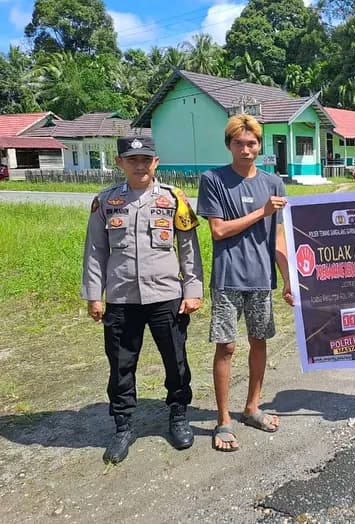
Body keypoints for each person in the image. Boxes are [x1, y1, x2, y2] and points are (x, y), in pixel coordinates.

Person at [81, 136, 203, 464]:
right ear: (120, 162)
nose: (139, 165)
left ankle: (178, 416)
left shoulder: (174, 199)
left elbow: (189, 248)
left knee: (176, 362)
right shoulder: (105, 202)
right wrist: (95, 296)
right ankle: (123, 427)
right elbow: (95, 252)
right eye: (132, 159)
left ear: (156, 162)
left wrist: (193, 291)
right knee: (121, 366)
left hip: (166, 296)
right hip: (122, 298)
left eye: (145, 159)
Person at [197, 114, 294, 452]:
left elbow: (279, 234)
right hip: (227, 279)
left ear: (259, 145)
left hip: (261, 279)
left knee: (259, 342)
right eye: (239, 143)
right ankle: (223, 419)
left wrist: (286, 279)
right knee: (226, 346)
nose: (246, 149)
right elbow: (218, 231)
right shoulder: (213, 180)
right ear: (229, 145)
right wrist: (260, 213)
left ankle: (253, 407)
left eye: (251, 143)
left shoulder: (273, 183)